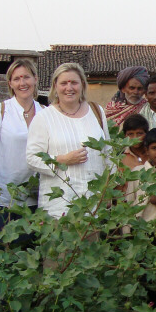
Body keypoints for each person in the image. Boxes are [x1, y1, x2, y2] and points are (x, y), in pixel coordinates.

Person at [26, 61, 110, 218]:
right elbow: (32, 158)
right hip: (59, 207)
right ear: (55, 86)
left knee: (93, 241)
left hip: (94, 204)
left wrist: (108, 191)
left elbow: (108, 153)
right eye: (63, 83)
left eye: (74, 83)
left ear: (82, 85)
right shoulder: (44, 117)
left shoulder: (96, 111)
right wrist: (62, 160)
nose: (69, 88)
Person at [0, 59, 44, 230]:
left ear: (35, 79)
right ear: (10, 83)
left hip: (34, 198)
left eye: (26, 77)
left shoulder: (46, 113)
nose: (22, 83)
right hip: (3, 198)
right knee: (5, 250)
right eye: (16, 79)